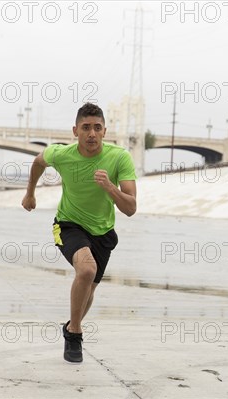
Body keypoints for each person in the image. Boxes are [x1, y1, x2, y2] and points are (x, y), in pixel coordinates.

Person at [21, 103, 137, 363]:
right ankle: (75, 334)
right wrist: (30, 193)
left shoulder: (120, 158)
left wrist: (109, 187)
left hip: (103, 231)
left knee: (90, 289)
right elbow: (38, 162)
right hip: (68, 224)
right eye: (86, 128)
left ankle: (71, 325)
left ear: (105, 131)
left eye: (97, 128)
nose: (92, 134)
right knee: (86, 270)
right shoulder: (62, 154)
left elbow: (130, 208)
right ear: (75, 131)